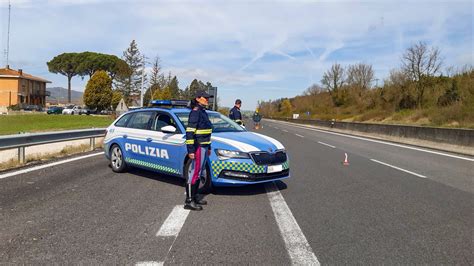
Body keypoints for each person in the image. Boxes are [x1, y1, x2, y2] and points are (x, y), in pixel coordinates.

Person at [184, 91, 213, 211]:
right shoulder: (195, 112)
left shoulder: (203, 111)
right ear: (197, 99)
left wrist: (209, 147)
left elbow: (206, 132)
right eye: (205, 97)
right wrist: (191, 150)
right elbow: (190, 132)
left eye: (208, 97)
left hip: (204, 146)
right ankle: (189, 201)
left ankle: (195, 197)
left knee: (199, 172)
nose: (207, 99)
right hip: (198, 147)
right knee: (195, 173)